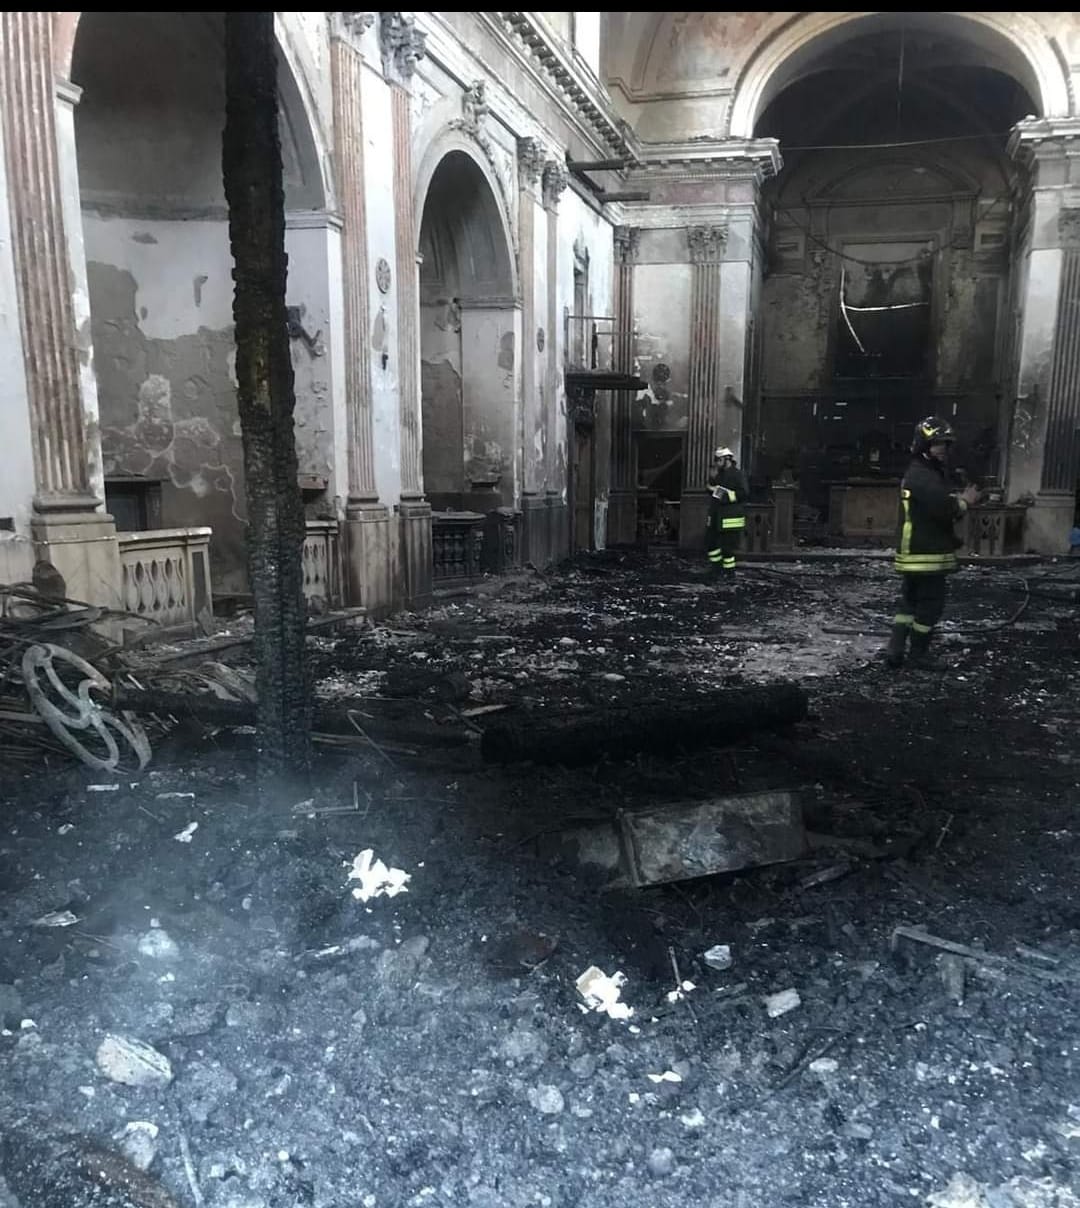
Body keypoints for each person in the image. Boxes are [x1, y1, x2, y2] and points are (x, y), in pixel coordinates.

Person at [885, 416, 980, 669]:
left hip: (916, 552)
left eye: (945, 444)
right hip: (926, 554)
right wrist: (966, 501)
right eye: (937, 443)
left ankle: (895, 650)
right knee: (930, 607)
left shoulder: (921, 472)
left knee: (909, 604)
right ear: (923, 445)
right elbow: (945, 509)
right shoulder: (923, 475)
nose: (943, 449)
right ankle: (918, 655)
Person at [705, 447, 749, 576]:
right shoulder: (719, 474)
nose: (717, 463)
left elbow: (743, 493)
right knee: (711, 543)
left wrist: (722, 494)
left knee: (727, 549)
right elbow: (713, 491)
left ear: (727, 459)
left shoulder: (737, 474)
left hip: (730, 518)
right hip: (717, 516)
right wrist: (711, 482)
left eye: (719, 460)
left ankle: (728, 573)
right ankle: (716, 569)